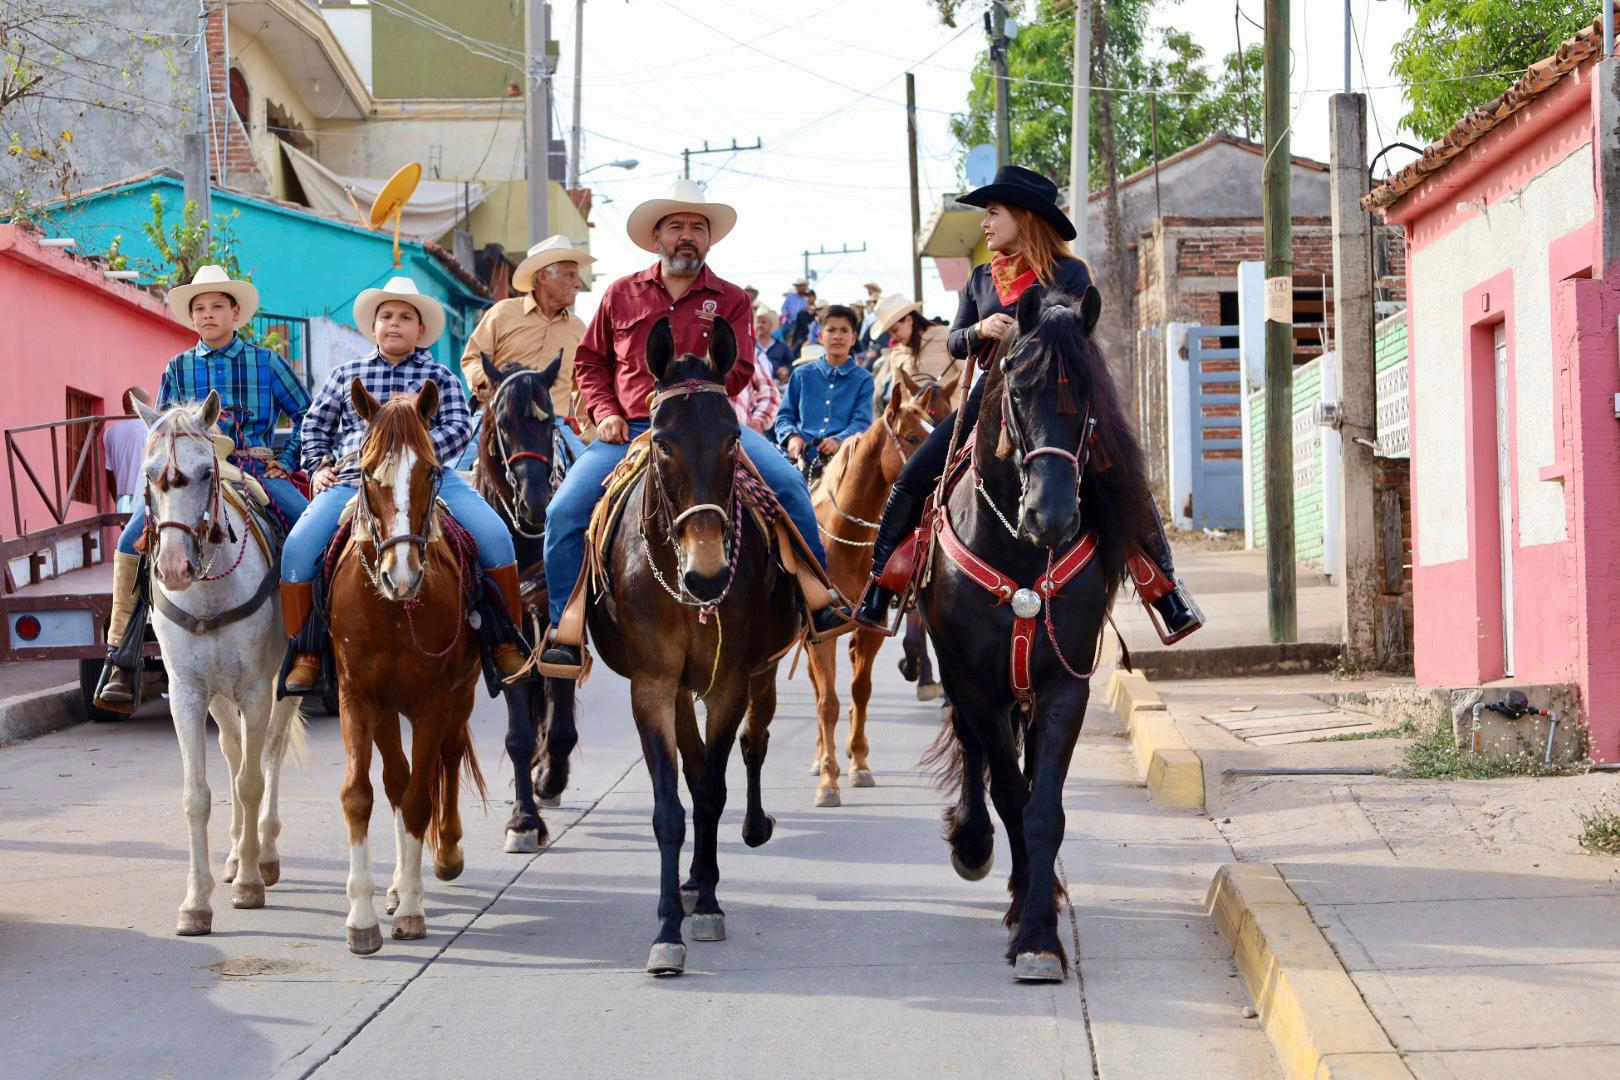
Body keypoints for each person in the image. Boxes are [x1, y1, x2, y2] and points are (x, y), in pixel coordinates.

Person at [851, 165, 1204, 642]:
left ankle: (1165, 590)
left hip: (1063, 396)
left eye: (993, 212)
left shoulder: (1071, 272)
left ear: (1024, 216)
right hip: (993, 396)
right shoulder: (979, 279)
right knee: (915, 474)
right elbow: (954, 340)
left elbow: (1077, 333)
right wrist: (980, 330)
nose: (985, 223)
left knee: (1127, 476)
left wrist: (1025, 328)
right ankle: (881, 584)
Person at [536, 179, 850, 677]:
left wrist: (699, 386)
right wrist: (605, 412)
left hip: (708, 428)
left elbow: (740, 368)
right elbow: (591, 363)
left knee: (789, 485)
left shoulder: (731, 299)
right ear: (656, 237)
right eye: (676, 226)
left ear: (708, 239)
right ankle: (565, 629)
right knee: (564, 511)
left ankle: (817, 598)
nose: (687, 235)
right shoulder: (620, 294)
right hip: (631, 428)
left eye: (698, 228)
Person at [279, 276, 528, 693]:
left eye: (405, 317)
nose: (394, 323)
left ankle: (505, 642)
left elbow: (459, 426)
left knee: (496, 537)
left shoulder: (440, 376)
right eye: (387, 316)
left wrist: (413, 455)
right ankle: (305, 652)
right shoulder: (346, 375)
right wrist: (318, 466)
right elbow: (315, 427)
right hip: (356, 480)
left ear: (421, 330)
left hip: (430, 480)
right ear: (373, 327)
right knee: (298, 548)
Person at [94, 266, 312, 710]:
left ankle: (313, 646)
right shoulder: (177, 367)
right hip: (191, 476)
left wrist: (286, 463)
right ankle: (121, 657)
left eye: (217, 306)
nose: (207, 314)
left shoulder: (267, 362)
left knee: (309, 531)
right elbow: (162, 432)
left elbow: (308, 415)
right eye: (199, 308)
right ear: (191, 317)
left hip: (251, 468)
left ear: (236, 314)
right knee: (130, 544)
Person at [460, 234, 596, 445]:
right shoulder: (502, 313)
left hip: (554, 426)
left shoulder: (579, 329)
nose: (578, 284)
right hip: (496, 418)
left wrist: (589, 437)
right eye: (570, 275)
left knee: (589, 467)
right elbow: (472, 359)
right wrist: (493, 383)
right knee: (456, 463)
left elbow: (585, 385)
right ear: (543, 276)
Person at [775, 304, 872, 467]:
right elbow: (784, 417)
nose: (837, 336)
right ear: (820, 336)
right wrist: (792, 437)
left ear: (853, 338)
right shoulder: (801, 374)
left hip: (843, 460)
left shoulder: (864, 379)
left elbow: (862, 422)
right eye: (831, 330)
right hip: (799, 458)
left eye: (844, 331)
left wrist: (839, 440)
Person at [867, 292, 961, 406]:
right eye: (890, 333)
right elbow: (902, 397)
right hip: (918, 416)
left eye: (895, 330)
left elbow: (967, 374)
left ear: (909, 320)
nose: (894, 337)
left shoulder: (945, 336)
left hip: (955, 413)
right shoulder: (896, 355)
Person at [103, 387, 153, 513]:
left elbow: (109, 473)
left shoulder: (110, 433)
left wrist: (119, 503)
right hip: (145, 498)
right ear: (141, 405)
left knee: (127, 525)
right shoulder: (150, 429)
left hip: (123, 500)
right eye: (149, 404)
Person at [734, 308, 783, 434]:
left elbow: (770, 393)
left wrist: (757, 423)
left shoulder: (780, 347)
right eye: (759, 322)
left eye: (764, 322)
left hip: (743, 431)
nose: (761, 325)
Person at [789, 290, 818, 354]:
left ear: (815, 297)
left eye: (811, 296)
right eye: (807, 296)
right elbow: (797, 328)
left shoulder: (818, 312)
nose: (809, 298)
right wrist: (793, 341)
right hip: (803, 339)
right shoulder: (801, 313)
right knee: (793, 354)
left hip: (817, 339)